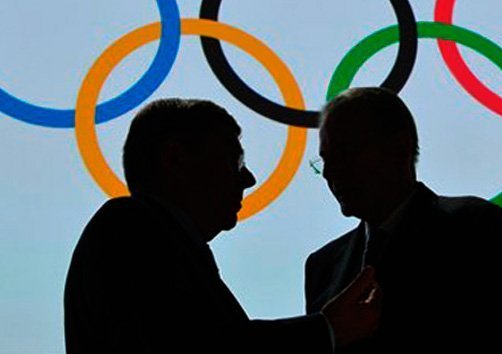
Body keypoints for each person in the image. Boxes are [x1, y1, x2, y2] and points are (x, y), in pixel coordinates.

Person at [64, 98, 380, 354]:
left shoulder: (145, 236)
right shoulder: (129, 228)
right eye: (234, 161)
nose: (248, 179)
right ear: (175, 159)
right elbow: (203, 347)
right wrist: (326, 330)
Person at [304, 87, 502, 353]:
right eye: (325, 160)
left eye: (345, 153)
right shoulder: (323, 267)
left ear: (400, 148)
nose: (330, 172)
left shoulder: (475, 229)